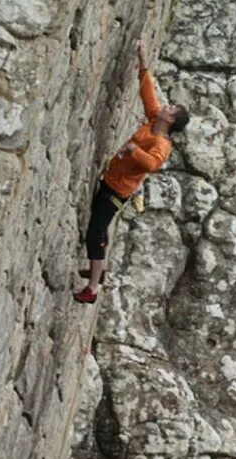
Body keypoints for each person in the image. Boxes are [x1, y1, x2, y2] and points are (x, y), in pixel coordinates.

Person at [73, 40, 190, 303]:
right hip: (112, 182)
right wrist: (141, 55)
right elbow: (147, 90)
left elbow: (152, 164)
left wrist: (132, 150)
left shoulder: (160, 144)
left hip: (117, 189)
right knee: (98, 229)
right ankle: (97, 269)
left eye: (170, 109)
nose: (164, 107)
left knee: (96, 231)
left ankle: (92, 288)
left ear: (170, 121)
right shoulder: (152, 122)